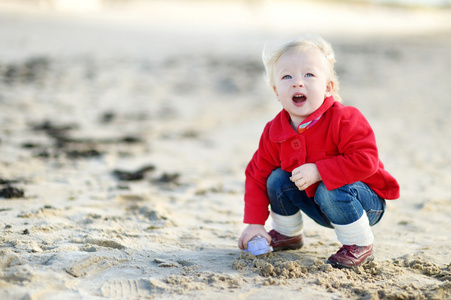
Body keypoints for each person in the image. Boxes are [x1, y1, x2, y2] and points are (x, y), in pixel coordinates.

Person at [237, 35, 400, 268]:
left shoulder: (345, 118)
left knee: (328, 186)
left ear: (328, 88)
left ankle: (359, 243)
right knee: (276, 178)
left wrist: (319, 170)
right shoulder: (275, 130)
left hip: (364, 202)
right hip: (319, 203)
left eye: (309, 75)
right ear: (276, 91)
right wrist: (254, 223)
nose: (297, 82)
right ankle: (288, 233)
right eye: (287, 76)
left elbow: (367, 161)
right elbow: (256, 174)